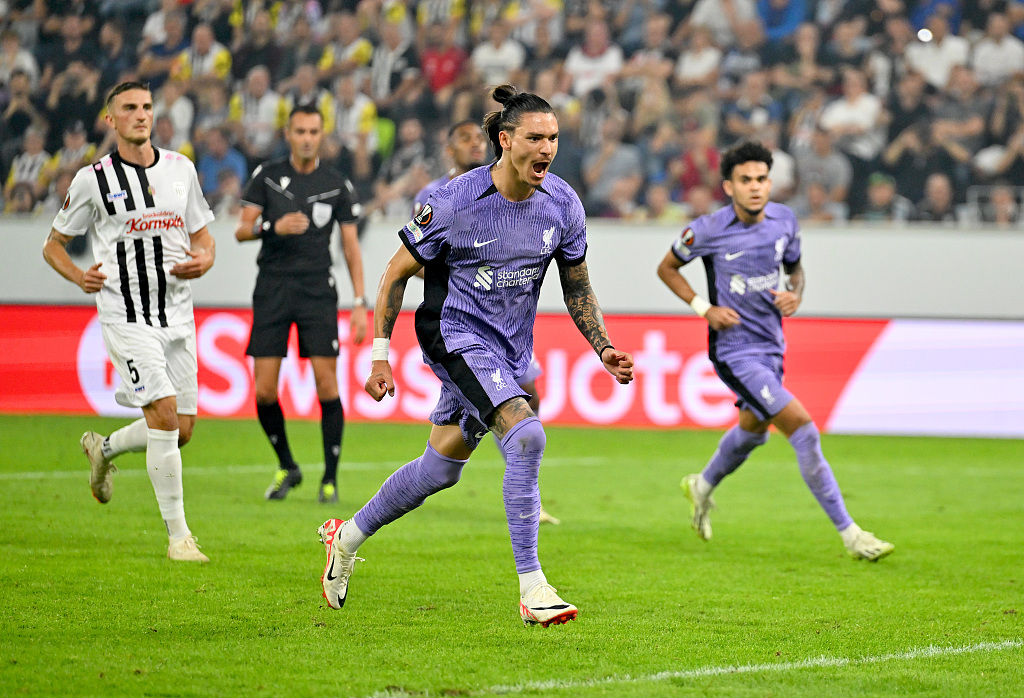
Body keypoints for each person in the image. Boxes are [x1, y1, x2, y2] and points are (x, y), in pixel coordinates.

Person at [317, 85, 634, 626]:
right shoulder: (453, 202)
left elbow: (577, 285)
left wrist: (602, 345)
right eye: (535, 138)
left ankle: (344, 537)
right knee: (527, 433)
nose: (547, 149)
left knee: (440, 470)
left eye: (553, 138)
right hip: (453, 335)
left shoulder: (562, 203)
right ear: (505, 140)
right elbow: (395, 273)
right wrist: (379, 356)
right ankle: (533, 587)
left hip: (509, 347)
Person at [655, 140, 894, 562]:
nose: (755, 187)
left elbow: (795, 269)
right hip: (735, 351)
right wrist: (703, 307)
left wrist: (795, 294)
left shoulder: (785, 220)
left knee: (753, 431)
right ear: (729, 186)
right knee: (803, 428)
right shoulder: (709, 229)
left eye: (762, 179)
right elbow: (667, 267)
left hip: (772, 347)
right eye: (745, 180)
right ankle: (851, 533)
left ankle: (702, 486)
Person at [41, 80, 216, 562]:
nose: (140, 115)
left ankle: (105, 450)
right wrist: (79, 276)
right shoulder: (91, 180)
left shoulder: (181, 169)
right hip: (126, 314)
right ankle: (179, 537)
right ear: (111, 119)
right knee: (160, 411)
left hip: (178, 315)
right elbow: (52, 244)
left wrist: (204, 260)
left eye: (146, 107)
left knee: (180, 430)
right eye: (129, 108)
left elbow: (205, 237)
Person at [414, 119, 561, 526]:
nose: (473, 144)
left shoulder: (523, 192)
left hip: (507, 329)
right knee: (514, 418)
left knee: (525, 395)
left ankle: (523, 480)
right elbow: (415, 261)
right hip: (461, 325)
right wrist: (468, 274)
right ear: (449, 148)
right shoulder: (436, 196)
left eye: (477, 138)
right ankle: (525, 491)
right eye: (463, 138)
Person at [234, 104, 368, 504]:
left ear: (321, 135)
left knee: (326, 385)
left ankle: (330, 478)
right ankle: (287, 465)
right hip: (272, 288)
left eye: (313, 131)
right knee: (263, 391)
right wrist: (271, 227)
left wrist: (359, 301)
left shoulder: (336, 184)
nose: (307, 138)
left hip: (316, 291)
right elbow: (242, 229)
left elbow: (350, 246)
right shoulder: (268, 176)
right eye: (300, 131)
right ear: (288, 134)